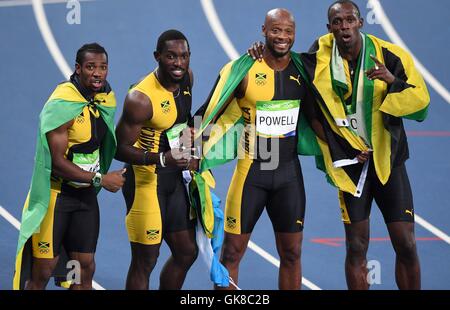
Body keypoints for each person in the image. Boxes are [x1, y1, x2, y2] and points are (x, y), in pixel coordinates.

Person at [248, 0, 430, 289]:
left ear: (360, 22)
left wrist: (392, 80)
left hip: (387, 160)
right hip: (351, 165)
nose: (344, 26)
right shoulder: (320, 53)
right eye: (337, 22)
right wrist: (260, 50)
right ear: (329, 27)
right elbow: (288, 64)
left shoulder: (389, 55)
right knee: (356, 245)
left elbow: (421, 101)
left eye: (349, 20)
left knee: (406, 242)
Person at [196, 8, 318, 290]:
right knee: (231, 253)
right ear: (263, 30)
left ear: (294, 34)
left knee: (292, 253)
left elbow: (317, 118)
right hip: (251, 174)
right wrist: (191, 149)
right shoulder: (243, 69)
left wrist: (347, 147)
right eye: (275, 30)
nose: (282, 37)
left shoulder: (302, 70)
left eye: (288, 31)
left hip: (288, 175)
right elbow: (210, 112)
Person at [13, 43, 126, 290]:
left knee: (84, 266)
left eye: (103, 67)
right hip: (57, 198)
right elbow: (57, 163)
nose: (98, 73)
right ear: (78, 68)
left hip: (84, 198)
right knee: (43, 270)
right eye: (91, 67)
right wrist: (100, 179)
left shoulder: (106, 98)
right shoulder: (63, 104)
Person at [115, 30, 199, 290]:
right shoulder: (140, 98)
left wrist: (191, 148)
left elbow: (182, 123)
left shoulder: (187, 79)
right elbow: (119, 148)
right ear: (158, 57)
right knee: (145, 260)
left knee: (186, 251)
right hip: (145, 183)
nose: (178, 63)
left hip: (173, 180)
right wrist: (162, 158)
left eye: (183, 56)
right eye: (171, 57)